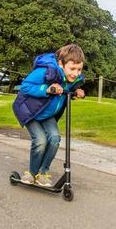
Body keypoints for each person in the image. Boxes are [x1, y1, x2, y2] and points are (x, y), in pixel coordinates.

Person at [12, 44, 85, 187]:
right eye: (72, 69)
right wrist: (47, 89)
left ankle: (43, 173)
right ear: (60, 64)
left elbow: (68, 90)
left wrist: (78, 91)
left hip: (47, 114)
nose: (76, 73)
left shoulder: (72, 78)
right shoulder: (45, 72)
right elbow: (25, 86)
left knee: (55, 139)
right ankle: (32, 173)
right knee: (40, 140)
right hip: (31, 112)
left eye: (79, 69)